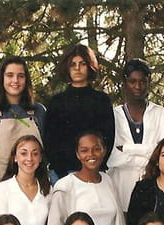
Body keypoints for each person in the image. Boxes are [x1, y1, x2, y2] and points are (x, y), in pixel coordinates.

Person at [46, 131, 129, 225]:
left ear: (104, 151)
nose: (91, 154)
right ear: (78, 154)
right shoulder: (65, 186)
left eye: (96, 149)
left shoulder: (109, 181)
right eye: (84, 150)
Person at [107, 59, 164, 212]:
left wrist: (127, 148)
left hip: (155, 190)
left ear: (149, 83)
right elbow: (112, 157)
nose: (138, 86)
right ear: (124, 83)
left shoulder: (162, 115)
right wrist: (149, 155)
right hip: (121, 192)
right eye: (132, 81)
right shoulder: (113, 116)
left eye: (143, 81)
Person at [44, 43, 115, 180]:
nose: (77, 68)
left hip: (94, 171)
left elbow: (108, 138)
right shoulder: (57, 102)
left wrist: (95, 167)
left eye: (82, 64)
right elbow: (50, 141)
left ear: (89, 66)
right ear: (67, 67)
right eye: (73, 64)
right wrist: (61, 171)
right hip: (62, 173)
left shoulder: (101, 100)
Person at [0, 56, 46, 178]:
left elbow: (48, 152)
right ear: (1, 78)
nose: (15, 80)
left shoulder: (39, 111)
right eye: (10, 75)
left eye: (21, 76)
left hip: (35, 183)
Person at [0, 135, 51, 225]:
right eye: (24, 153)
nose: (29, 158)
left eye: (35, 154)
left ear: (40, 158)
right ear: (15, 157)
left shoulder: (48, 190)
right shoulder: (3, 189)